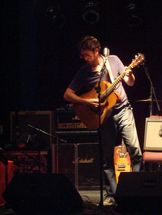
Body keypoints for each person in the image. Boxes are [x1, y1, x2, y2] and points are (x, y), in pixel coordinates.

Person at [63, 35, 142, 206]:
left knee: (135, 150)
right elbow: (67, 94)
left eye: (87, 55)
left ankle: (135, 191)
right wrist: (87, 101)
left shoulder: (113, 61)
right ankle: (112, 195)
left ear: (96, 51)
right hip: (104, 116)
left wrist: (129, 75)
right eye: (83, 55)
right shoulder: (84, 71)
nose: (84, 58)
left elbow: (130, 83)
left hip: (123, 110)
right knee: (107, 158)